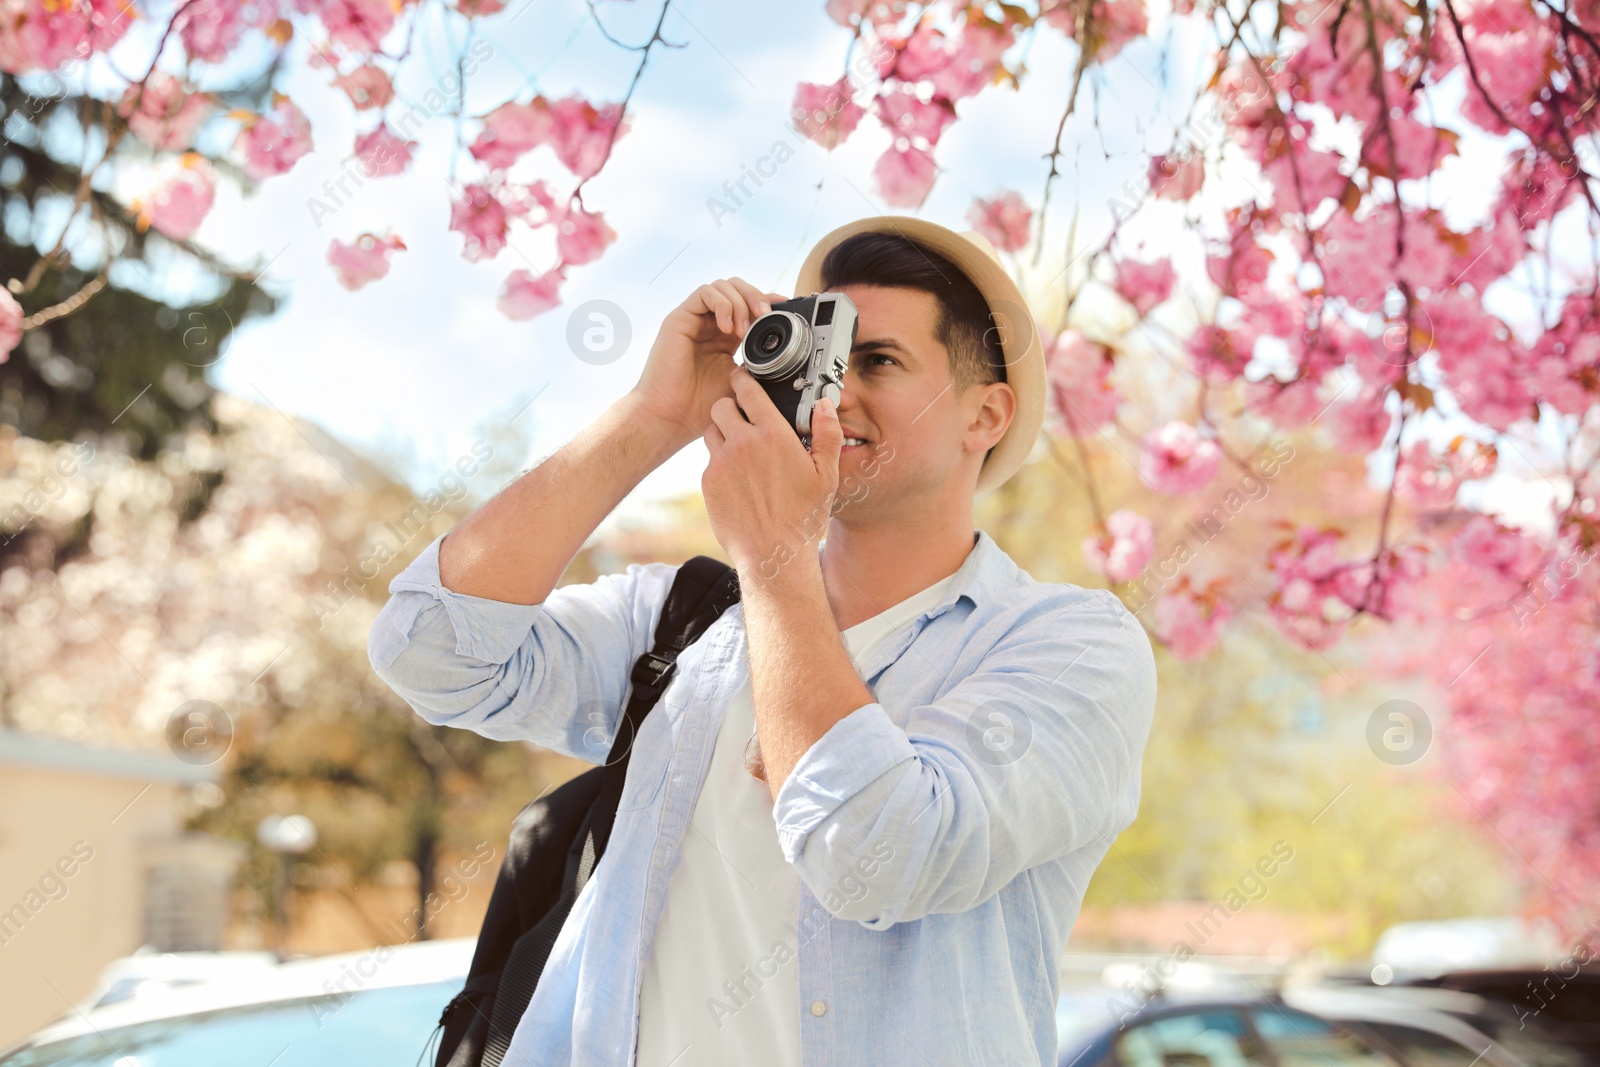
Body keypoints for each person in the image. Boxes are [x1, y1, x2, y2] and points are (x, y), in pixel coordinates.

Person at [367, 215, 1158, 1066]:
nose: (835, 393)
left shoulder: (1072, 646)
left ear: (985, 414)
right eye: (826, 358)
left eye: (880, 361)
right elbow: (429, 648)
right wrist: (654, 416)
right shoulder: (690, 621)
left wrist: (776, 552)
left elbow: (876, 857)